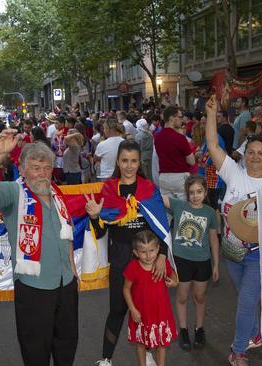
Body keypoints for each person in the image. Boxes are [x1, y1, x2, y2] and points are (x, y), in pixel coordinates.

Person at [0, 134, 79, 366]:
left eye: (47, 168)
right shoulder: (14, 193)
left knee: (67, 345)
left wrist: (73, 273)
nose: (42, 173)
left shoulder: (57, 195)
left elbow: (67, 235)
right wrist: (0, 153)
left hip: (65, 283)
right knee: (35, 351)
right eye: (35, 168)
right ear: (22, 170)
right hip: (34, 287)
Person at [205, 94, 262, 366]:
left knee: (246, 302)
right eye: (251, 152)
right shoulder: (234, 173)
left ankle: (238, 351)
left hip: (259, 255)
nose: (255, 157)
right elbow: (212, 144)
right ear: (244, 154)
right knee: (244, 298)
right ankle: (256, 334)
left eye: (261, 153)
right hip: (231, 252)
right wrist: (211, 114)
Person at [86, 139, 170, 366]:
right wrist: (95, 217)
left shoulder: (149, 189)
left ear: (139, 162)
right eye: (125, 160)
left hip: (149, 260)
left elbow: (161, 226)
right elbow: (100, 232)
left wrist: (162, 255)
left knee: (148, 310)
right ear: (118, 161)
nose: (129, 165)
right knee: (117, 310)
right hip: (121, 259)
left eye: (133, 161)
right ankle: (106, 359)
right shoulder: (109, 189)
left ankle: (149, 352)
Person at [162, 175, 219, 351]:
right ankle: (184, 330)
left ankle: (199, 329)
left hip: (202, 261)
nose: (195, 196)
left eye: (199, 191)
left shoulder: (210, 212)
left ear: (205, 192)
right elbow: (156, 196)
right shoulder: (179, 206)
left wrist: (216, 264)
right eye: (191, 192)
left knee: (200, 296)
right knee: (182, 296)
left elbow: (213, 239)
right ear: (186, 194)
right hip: (181, 260)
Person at [123, 231, 178, 366]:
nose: (148, 256)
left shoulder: (163, 264)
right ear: (136, 252)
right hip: (141, 314)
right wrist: (132, 309)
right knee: (141, 342)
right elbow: (126, 289)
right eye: (143, 252)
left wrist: (174, 282)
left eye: (152, 250)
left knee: (162, 344)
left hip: (161, 312)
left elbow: (175, 277)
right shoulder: (133, 267)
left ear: (158, 249)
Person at [154, 106, 195, 200]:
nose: (182, 120)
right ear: (172, 118)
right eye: (180, 117)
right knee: (183, 209)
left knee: (168, 210)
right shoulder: (180, 138)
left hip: (163, 177)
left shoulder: (157, 137)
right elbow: (191, 161)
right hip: (179, 177)